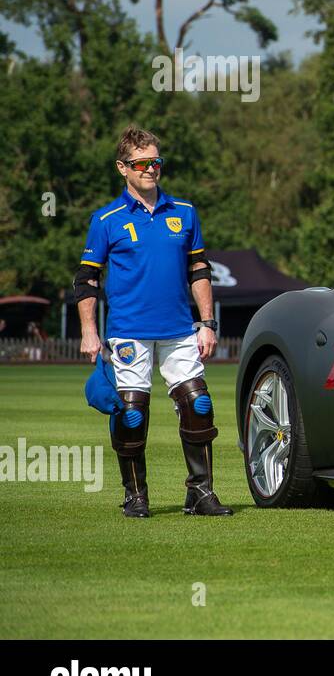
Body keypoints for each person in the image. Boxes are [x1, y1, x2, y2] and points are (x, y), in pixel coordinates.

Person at [74, 126, 233, 518]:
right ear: (122, 167)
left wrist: (207, 323)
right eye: (141, 163)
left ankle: (199, 493)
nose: (150, 169)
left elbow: (199, 269)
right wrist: (90, 332)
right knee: (130, 412)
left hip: (179, 330)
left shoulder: (185, 213)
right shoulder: (106, 219)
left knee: (199, 403)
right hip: (128, 331)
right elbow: (86, 280)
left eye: (155, 161)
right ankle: (136, 496)